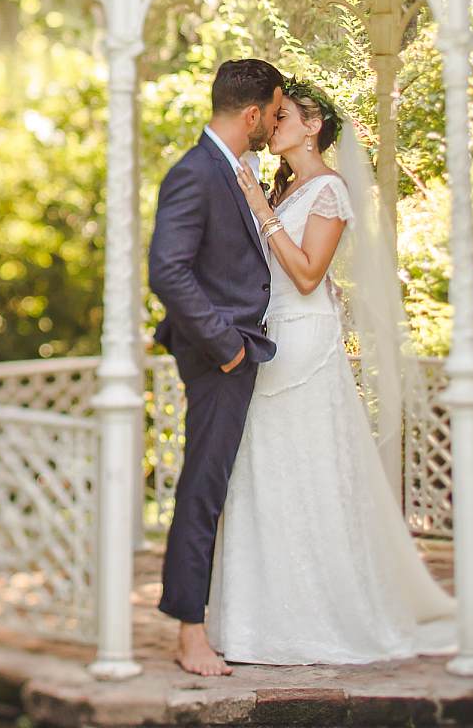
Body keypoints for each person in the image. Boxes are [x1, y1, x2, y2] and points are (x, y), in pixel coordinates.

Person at [206, 79, 456, 664]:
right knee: (264, 473)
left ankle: (324, 619)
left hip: (303, 343)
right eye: (273, 115)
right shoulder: (289, 188)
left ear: (313, 126)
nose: (274, 124)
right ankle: (253, 624)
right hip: (273, 338)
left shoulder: (329, 190)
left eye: (284, 115)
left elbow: (309, 274)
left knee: (309, 470)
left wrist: (259, 208)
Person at [148, 57, 286, 676]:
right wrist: (225, 345)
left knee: (222, 485)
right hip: (219, 357)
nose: (275, 124)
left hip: (241, 349)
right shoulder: (195, 172)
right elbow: (167, 270)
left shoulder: (236, 169)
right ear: (252, 114)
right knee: (203, 488)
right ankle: (189, 632)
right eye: (274, 113)